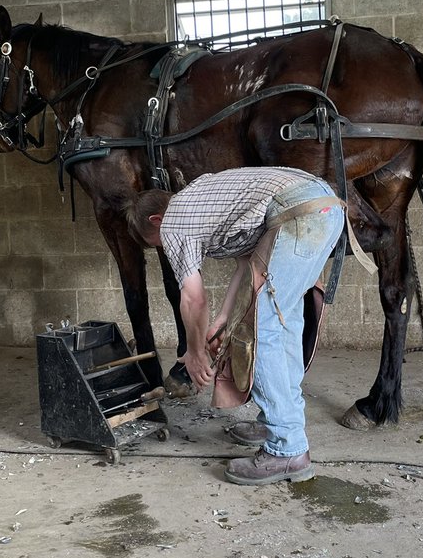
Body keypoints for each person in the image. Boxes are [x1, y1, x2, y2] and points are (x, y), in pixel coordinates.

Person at [125, 167, 344, 485]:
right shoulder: (202, 200)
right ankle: (276, 421)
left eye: (156, 244)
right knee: (283, 324)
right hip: (325, 209)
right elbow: (248, 263)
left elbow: (193, 298)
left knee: (259, 333)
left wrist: (195, 352)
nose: (164, 248)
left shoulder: (174, 221)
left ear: (156, 222)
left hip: (298, 215)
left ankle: (287, 450)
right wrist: (224, 318)